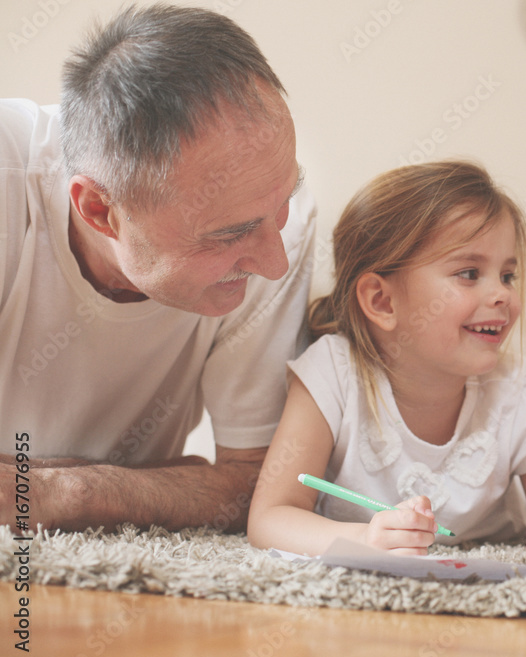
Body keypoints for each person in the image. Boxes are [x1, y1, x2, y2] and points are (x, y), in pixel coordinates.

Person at [0, 4, 316, 533]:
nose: (274, 262)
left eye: (284, 201)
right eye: (229, 234)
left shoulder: (282, 219)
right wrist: (161, 485)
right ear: (99, 210)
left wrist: (68, 491)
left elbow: (258, 484)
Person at [248, 161, 526, 568]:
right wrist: (364, 539)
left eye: (508, 276)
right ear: (382, 301)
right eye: (469, 273)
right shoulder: (331, 374)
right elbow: (270, 517)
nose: (503, 295)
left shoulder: (521, 392)